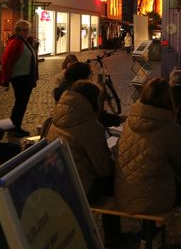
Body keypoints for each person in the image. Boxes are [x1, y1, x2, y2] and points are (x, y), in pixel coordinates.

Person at [115, 78, 181, 249]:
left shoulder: (129, 123)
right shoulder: (170, 128)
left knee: (149, 180)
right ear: (169, 100)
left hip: (125, 193)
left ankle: (151, 237)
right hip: (154, 198)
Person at [45, 80, 121, 246]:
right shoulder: (89, 125)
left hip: (58, 183)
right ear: (92, 101)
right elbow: (104, 169)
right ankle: (114, 238)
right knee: (115, 182)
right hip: (81, 188)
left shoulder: (56, 118)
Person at [0, 20, 38, 138]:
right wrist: (6, 77)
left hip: (26, 77)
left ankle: (15, 126)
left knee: (22, 103)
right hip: (20, 78)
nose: (26, 32)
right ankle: (14, 127)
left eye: (27, 30)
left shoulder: (25, 42)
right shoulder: (15, 42)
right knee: (20, 103)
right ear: (17, 30)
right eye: (23, 30)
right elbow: (6, 60)